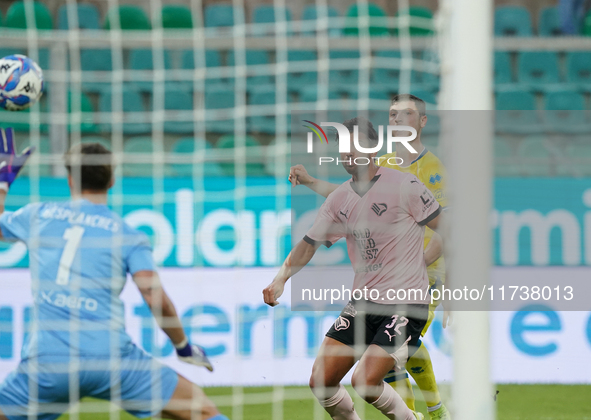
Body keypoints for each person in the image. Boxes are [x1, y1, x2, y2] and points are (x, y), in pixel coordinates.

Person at [0, 131, 229, 420]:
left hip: (48, 362)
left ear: (70, 179)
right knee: (202, 411)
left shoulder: (39, 215)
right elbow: (153, 295)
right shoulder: (127, 235)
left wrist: (2, 183)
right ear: (112, 181)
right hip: (110, 359)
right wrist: (182, 347)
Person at [264, 117, 444, 420]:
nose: (346, 153)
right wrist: (280, 279)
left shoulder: (405, 185)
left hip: (406, 303)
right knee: (321, 382)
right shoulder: (339, 199)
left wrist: (427, 262)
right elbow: (309, 244)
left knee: (365, 381)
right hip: (363, 303)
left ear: (373, 148)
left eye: (353, 146)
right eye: (342, 147)